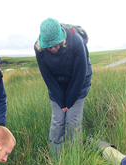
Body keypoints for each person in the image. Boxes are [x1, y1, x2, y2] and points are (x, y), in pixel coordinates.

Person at [35, 18, 92, 157]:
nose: (53, 49)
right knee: (57, 122)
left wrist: (69, 101)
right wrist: (61, 102)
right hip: (57, 87)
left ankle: (74, 159)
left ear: (61, 39)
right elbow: (47, 77)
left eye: (55, 45)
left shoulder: (76, 42)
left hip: (78, 85)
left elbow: (79, 75)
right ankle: (57, 160)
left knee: (72, 121)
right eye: (49, 46)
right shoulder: (39, 48)